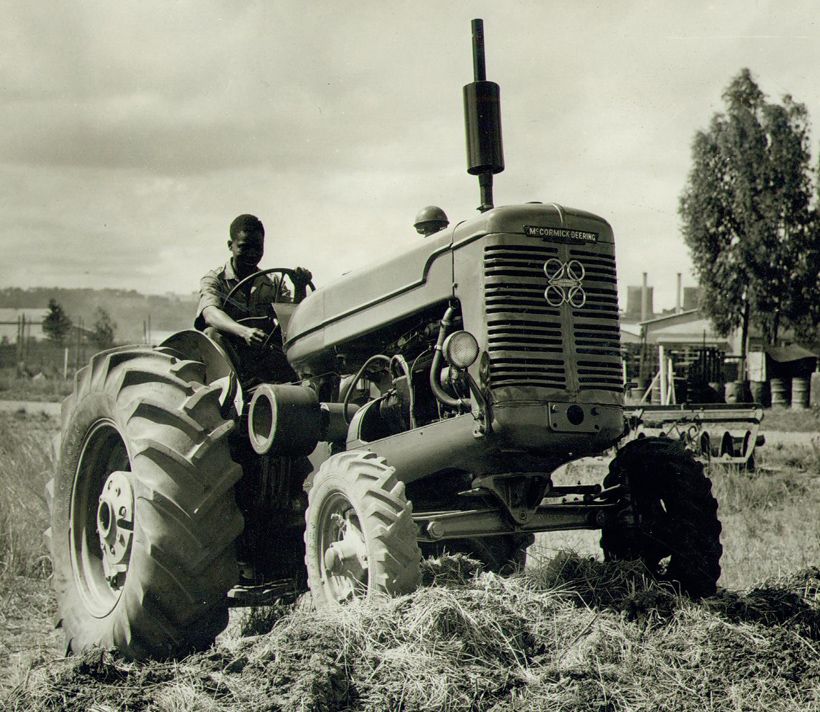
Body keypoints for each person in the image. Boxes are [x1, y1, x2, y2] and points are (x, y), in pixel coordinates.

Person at [195, 213, 312, 382]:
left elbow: (292, 321)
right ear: (230, 245)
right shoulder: (215, 280)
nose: (252, 254)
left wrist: (300, 287)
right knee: (212, 333)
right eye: (244, 247)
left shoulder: (273, 282)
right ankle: (233, 390)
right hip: (229, 356)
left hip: (263, 355)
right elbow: (210, 313)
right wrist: (244, 332)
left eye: (258, 248)